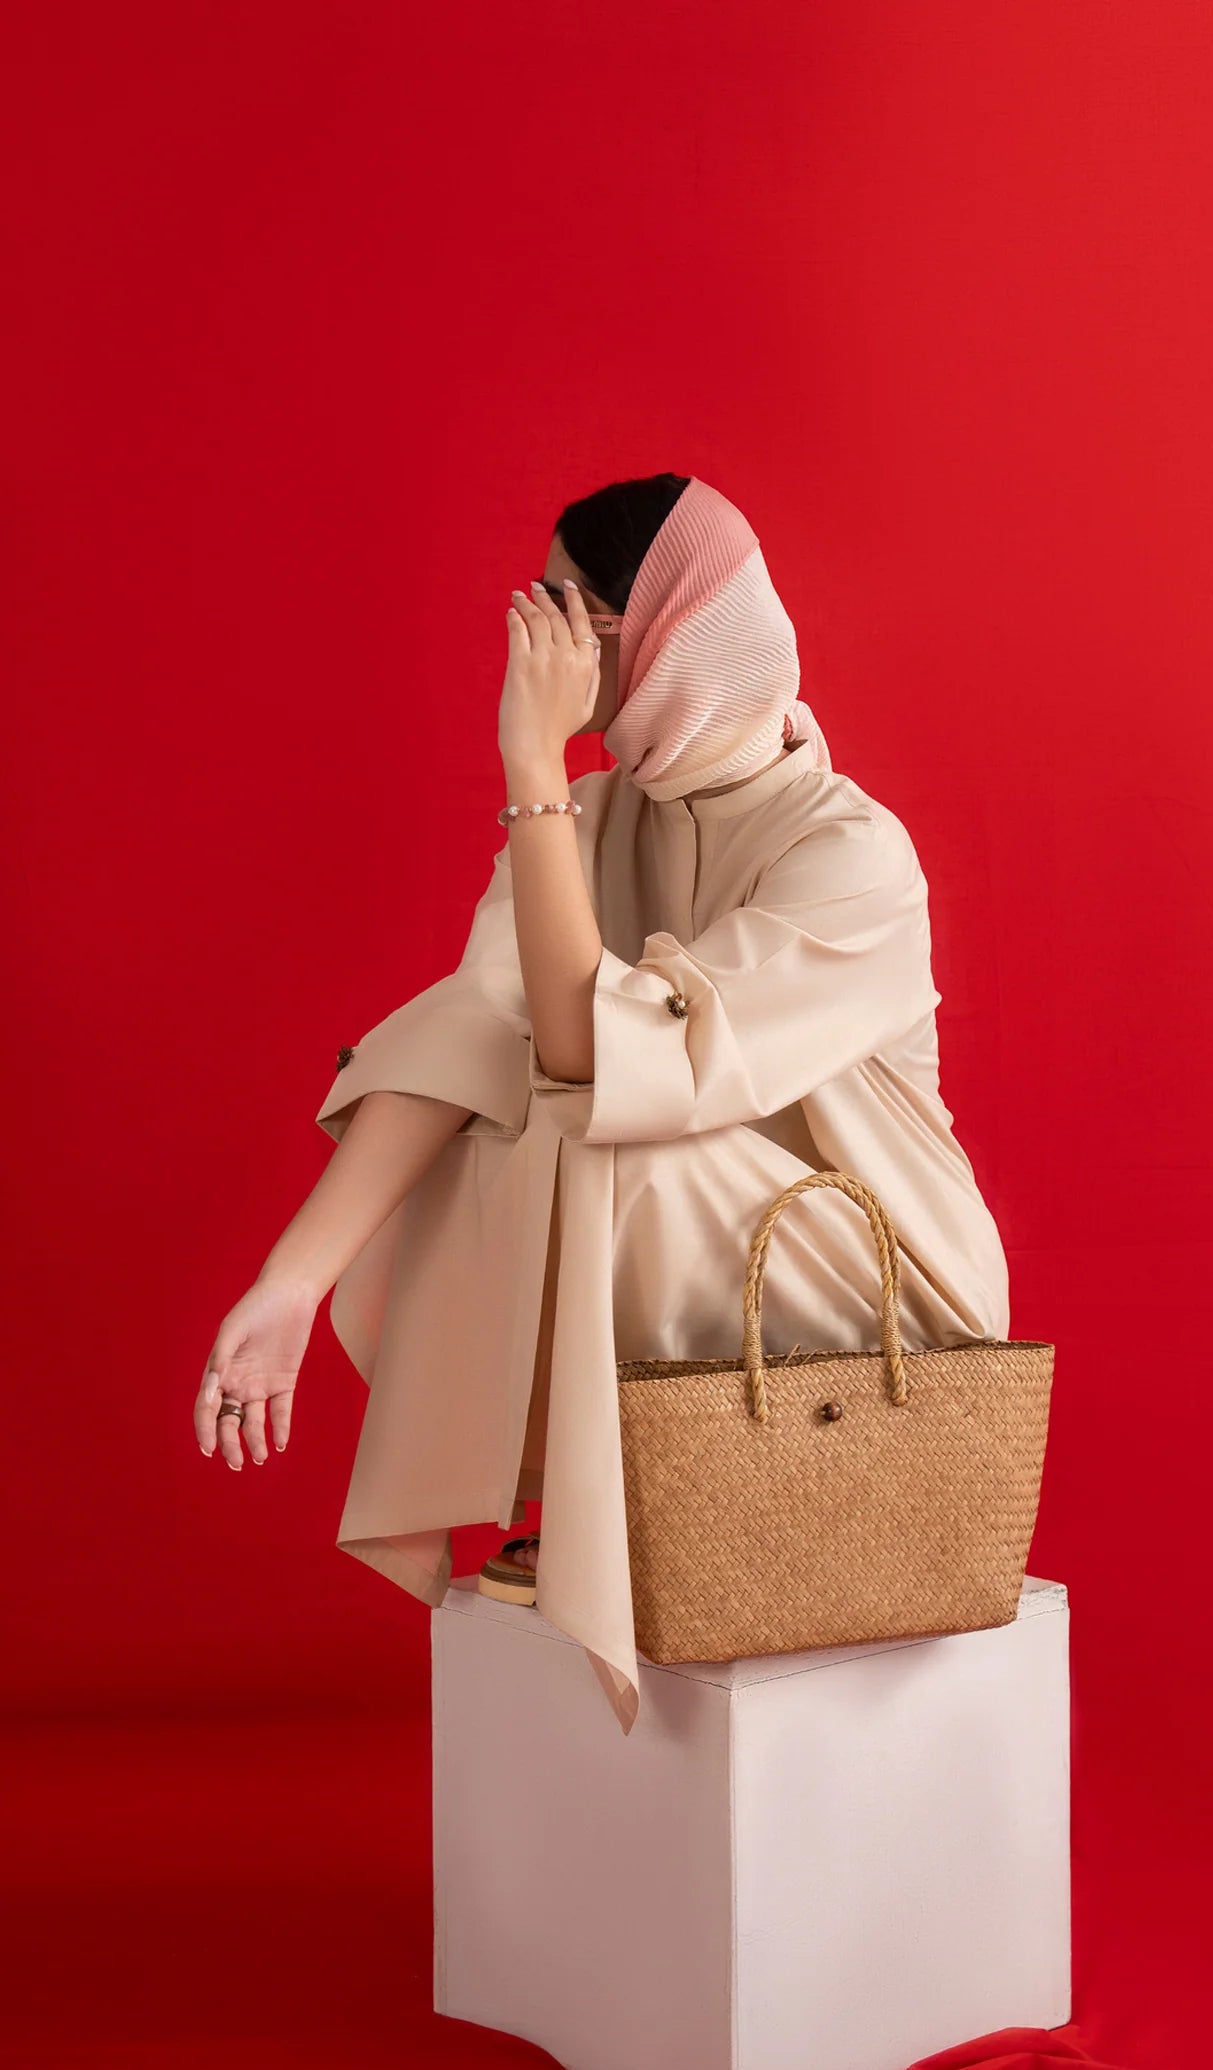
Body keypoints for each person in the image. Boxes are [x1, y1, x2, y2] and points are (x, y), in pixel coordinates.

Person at [192, 472, 1011, 1736]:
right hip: (694, 1240)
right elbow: (475, 1026)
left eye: (566, 609)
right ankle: (598, 1487)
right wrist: (294, 1282)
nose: (536, 639)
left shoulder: (850, 850)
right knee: (494, 1128)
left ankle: (606, 1514)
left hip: (885, 1273)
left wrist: (528, 762)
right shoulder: (587, 817)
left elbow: (595, 1057)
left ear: (672, 631)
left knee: (596, 1132)